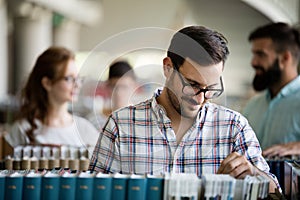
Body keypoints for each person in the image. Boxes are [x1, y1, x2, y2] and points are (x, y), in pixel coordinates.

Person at [89, 25, 279, 192]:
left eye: (211, 88)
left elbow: (276, 193)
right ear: (168, 68)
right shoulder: (120, 126)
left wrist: (254, 174)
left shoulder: (234, 127)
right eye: (193, 84)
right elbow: (92, 192)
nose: (201, 98)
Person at [4, 46, 99, 153]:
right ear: (47, 83)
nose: (77, 84)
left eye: (77, 78)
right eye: (69, 78)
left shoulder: (85, 129)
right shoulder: (22, 130)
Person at [242, 22, 300, 157]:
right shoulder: (253, 105)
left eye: (260, 54)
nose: (253, 62)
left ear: (285, 58)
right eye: (254, 54)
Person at [86, 60, 137, 130]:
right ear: (107, 86)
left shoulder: (143, 120)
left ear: (134, 87)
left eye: (124, 87)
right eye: (114, 87)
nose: (118, 93)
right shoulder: (94, 122)